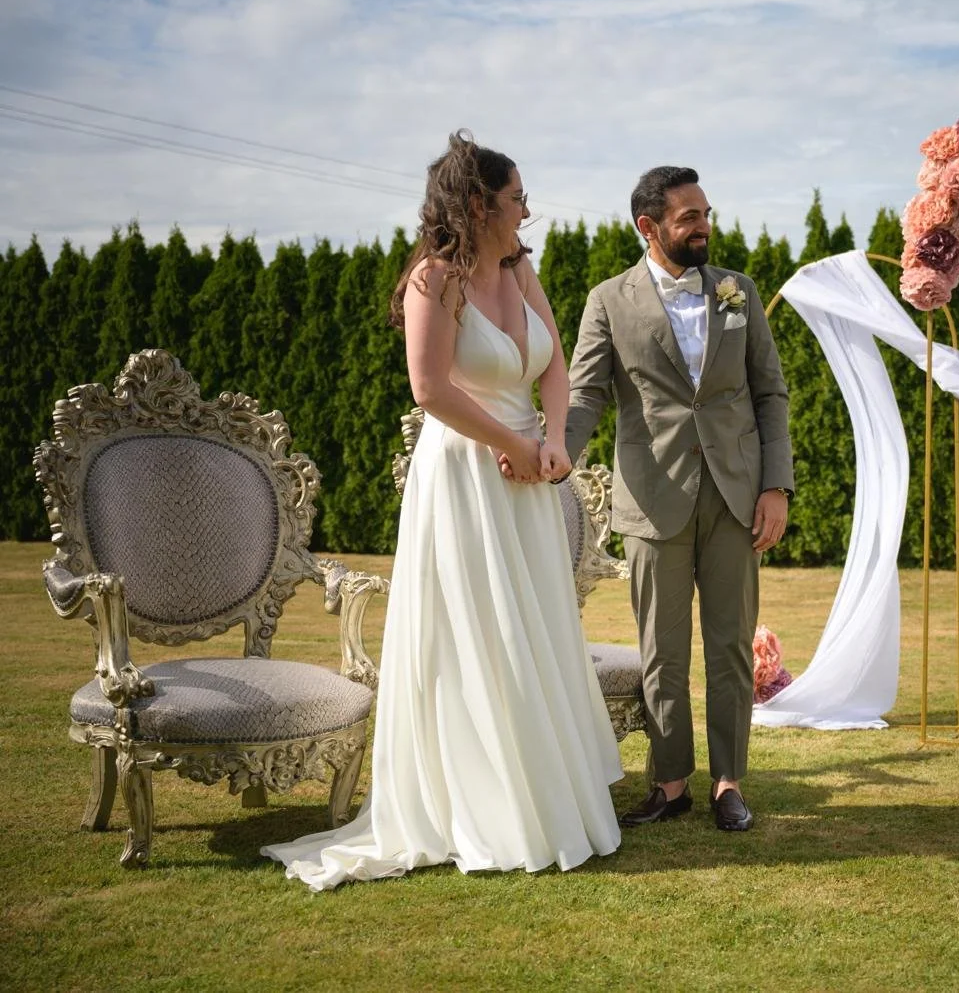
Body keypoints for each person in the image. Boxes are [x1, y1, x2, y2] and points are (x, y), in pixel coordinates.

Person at [262, 132, 623, 889]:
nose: (528, 210)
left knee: (531, 631)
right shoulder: (435, 281)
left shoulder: (520, 271)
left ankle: (544, 796)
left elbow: (553, 361)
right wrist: (507, 441)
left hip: (525, 472)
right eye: (517, 197)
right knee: (475, 637)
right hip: (464, 474)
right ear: (476, 204)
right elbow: (429, 389)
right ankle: (483, 809)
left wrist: (552, 441)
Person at [565, 166, 793, 832]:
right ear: (649, 226)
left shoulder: (735, 292)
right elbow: (586, 396)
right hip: (652, 498)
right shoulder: (608, 300)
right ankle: (670, 785)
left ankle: (727, 784)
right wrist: (552, 454)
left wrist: (775, 486)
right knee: (661, 651)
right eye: (689, 216)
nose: (704, 226)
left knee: (728, 646)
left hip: (734, 495)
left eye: (705, 213)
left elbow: (769, 393)